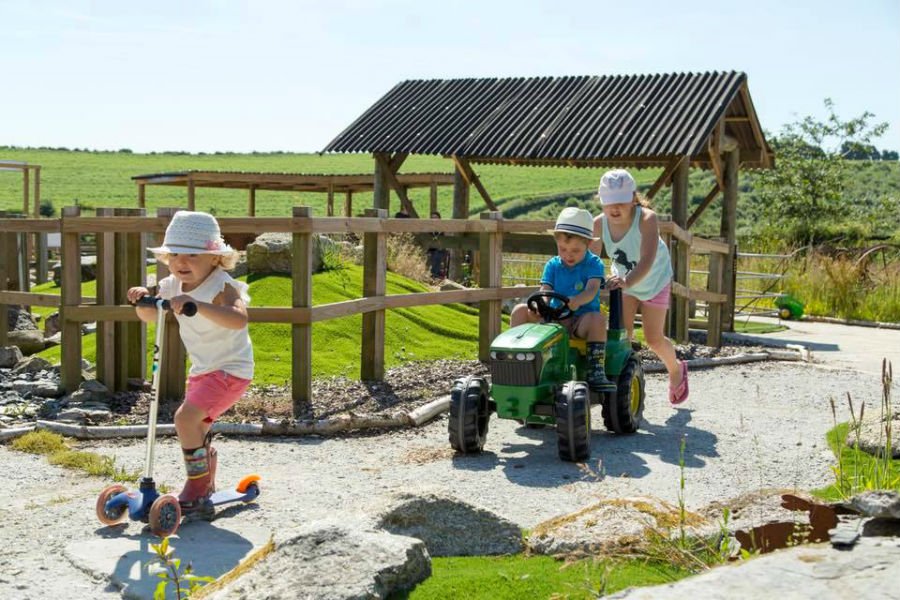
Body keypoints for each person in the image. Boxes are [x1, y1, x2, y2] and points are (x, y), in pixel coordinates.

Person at [127, 211, 254, 517]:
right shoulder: (171, 285)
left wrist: (200, 306)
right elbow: (150, 316)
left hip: (231, 370)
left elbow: (238, 320)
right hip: (202, 371)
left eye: (193, 255)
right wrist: (143, 301)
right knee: (196, 425)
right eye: (175, 255)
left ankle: (196, 487)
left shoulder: (223, 286)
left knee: (185, 419)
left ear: (214, 259)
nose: (182, 262)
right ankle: (206, 479)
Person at [590, 169, 688, 404]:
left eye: (622, 202)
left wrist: (628, 281)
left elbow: (647, 259)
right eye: (609, 203)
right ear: (601, 202)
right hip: (624, 283)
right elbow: (591, 262)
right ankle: (623, 392)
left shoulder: (646, 219)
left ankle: (675, 369)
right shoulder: (598, 225)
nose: (615, 208)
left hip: (654, 280)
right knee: (622, 338)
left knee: (653, 338)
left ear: (633, 198)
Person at [510, 207, 615, 392]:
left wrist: (578, 300)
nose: (568, 254)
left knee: (598, 320)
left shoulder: (593, 263)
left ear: (588, 244)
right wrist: (541, 303)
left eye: (575, 250)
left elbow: (592, 290)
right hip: (553, 318)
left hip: (579, 321)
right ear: (556, 243)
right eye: (563, 249)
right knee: (519, 310)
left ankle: (596, 370)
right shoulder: (553, 265)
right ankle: (518, 360)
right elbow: (545, 289)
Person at [427, 211, 449, 279]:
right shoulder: (428, 228)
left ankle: (435, 275)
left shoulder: (442, 228)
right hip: (430, 249)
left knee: (438, 254)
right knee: (433, 255)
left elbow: (445, 239)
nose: (434, 219)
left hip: (440, 249)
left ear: (439, 218)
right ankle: (434, 275)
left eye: (436, 217)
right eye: (432, 218)